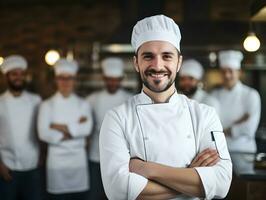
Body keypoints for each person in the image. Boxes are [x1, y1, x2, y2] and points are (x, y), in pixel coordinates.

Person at [99, 15, 232, 200]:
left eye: (167, 56)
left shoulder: (204, 114)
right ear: (136, 62)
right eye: (148, 56)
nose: (157, 65)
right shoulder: (117, 118)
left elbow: (222, 183)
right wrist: (195, 179)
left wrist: (146, 168)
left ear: (178, 63)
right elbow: (117, 191)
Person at [38, 59, 93, 200]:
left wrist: (58, 126)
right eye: (62, 78)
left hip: (78, 163)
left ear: (75, 80)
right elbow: (43, 133)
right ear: (56, 80)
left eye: (70, 78)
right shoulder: (47, 105)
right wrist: (75, 129)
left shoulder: (83, 104)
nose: (66, 82)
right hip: (57, 164)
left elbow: (87, 129)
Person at [87, 57, 132, 199]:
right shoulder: (91, 99)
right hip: (96, 156)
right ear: (104, 78)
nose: (113, 82)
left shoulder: (130, 99)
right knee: (95, 194)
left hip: (122, 158)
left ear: (121, 79)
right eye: (109, 79)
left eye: (116, 79)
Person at [0, 55, 42, 200]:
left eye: (21, 74)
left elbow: (41, 130)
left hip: (33, 166)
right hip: (7, 166)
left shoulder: (36, 100)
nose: (18, 77)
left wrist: (41, 157)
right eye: (14, 74)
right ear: (6, 77)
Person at [211, 50, 261, 153]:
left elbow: (249, 128)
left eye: (230, 71)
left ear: (239, 72)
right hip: (219, 151)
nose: (227, 75)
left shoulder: (251, 94)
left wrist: (222, 130)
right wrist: (239, 122)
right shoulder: (213, 95)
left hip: (244, 150)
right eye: (223, 72)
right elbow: (210, 125)